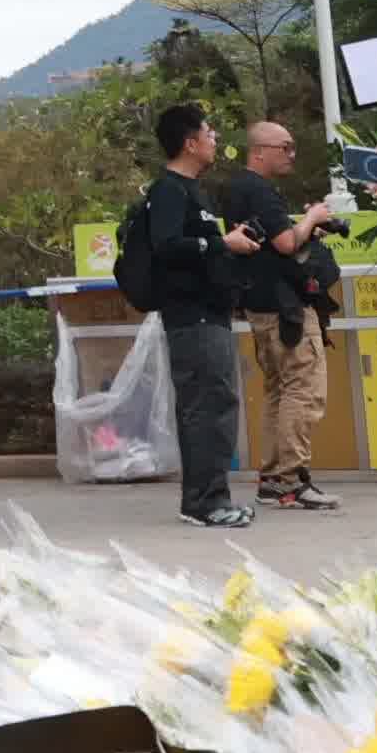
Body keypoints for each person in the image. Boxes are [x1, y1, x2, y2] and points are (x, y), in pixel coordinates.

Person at [117, 100, 247, 528]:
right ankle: (204, 503)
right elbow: (168, 246)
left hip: (211, 313)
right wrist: (221, 245)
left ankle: (214, 497)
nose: (215, 141)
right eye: (210, 134)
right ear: (190, 143)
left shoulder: (196, 191)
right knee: (204, 406)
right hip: (191, 317)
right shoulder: (169, 190)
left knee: (218, 403)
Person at [222, 118, 347, 509]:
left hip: (260, 306)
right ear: (259, 151)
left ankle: (274, 477)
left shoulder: (236, 188)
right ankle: (291, 480)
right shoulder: (260, 191)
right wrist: (311, 219)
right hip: (286, 310)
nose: (292, 154)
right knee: (304, 390)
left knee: (279, 391)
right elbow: (286, 243)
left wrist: (307, 229)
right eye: (285, 147)